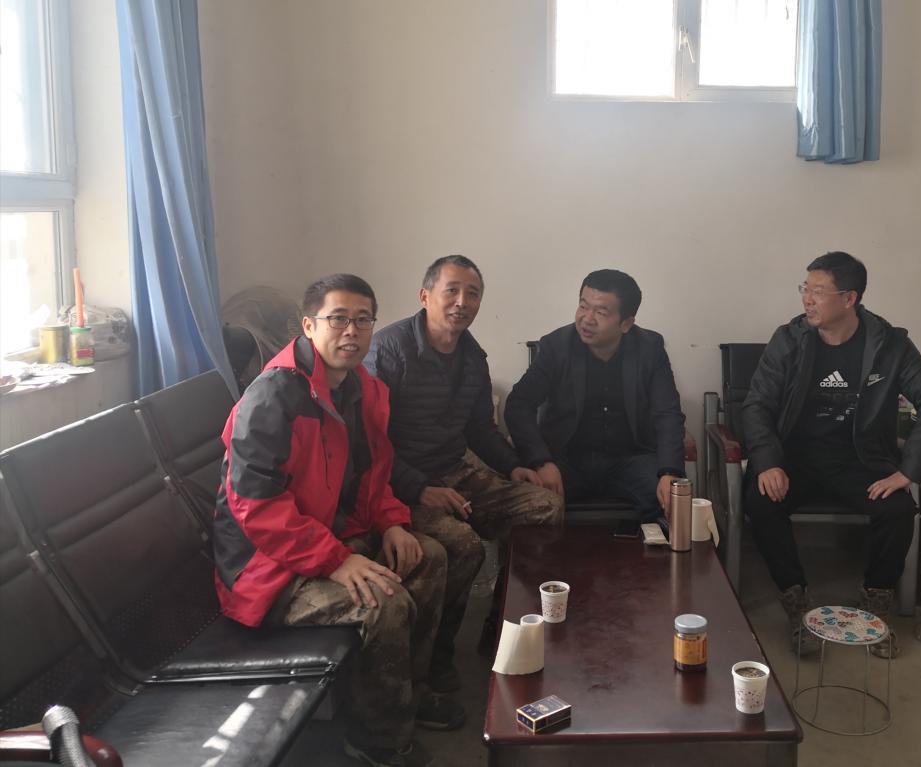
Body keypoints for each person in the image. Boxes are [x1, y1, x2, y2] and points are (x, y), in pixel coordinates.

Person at [213, 274, 460, 767]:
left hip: (328, 539)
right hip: (268, 568)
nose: (352, 331)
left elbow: (374, 472)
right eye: (338, 319)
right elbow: (256, 506)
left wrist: (391, 522)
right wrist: (336, 560)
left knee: (427, 557)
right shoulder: (274, 396)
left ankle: (406, 697)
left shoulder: (360, 388)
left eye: (363, 320)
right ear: (308, 326)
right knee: (382, 602)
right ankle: (377, 741)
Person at [742, 252, 921, 657]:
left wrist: (908, 472)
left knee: (897, 508)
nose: (807, 299)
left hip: (860, 460)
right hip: (796, 458)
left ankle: (876, 606)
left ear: (849, 298)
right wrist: (768, 461)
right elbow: (757, 405)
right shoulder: (790, 339)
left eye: (818, 291)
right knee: (761, 500)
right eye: (805, 288)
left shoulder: (890, 345)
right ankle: (797, 604)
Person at [364, 256, 563, 686]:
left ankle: (502, 624)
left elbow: (480, 430)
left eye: (472, 294)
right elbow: (368, 443)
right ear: (425, 296)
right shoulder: (387, 351)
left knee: (543, 506)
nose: (462, 302)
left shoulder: (473, 356)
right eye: (451, 290)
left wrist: (514, 466)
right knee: (463, 546)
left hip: (455, 470)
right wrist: (419, 488)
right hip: (398, 484)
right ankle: (434, 660)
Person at [505, 269, 687, 522]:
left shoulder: (650, 349)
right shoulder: (556, 346)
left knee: (673, 499)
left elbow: (667, 413)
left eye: (601, 312)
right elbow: (519, 405)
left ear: (626, 323)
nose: (587, 319)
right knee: (530, 500)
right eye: (583, 306)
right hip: (566, 460)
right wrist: (541, 461)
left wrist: (669, 472)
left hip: (629, 460)